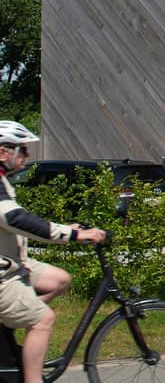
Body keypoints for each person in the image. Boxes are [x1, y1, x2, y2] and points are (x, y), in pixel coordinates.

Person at [0, 121, 106, 383]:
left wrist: (65, 228)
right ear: (3, 152)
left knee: (59, 280)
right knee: (43, 319)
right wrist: (73, 234)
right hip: (3, 272)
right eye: (22, 150)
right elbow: (16, 220)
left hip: (13, 262)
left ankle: (11, 324)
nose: (26, 156)